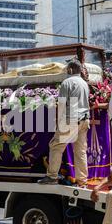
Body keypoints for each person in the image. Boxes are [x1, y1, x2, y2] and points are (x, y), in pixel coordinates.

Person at [38, 59, 90, 187]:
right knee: (80, 151)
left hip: (71, 119)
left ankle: (52, 176)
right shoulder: (84, 83)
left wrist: (58, 121)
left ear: (70, 70)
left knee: (56, 146)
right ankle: (82, 181)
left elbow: (61, 104)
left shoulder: (67, 82)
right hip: (84, 119)